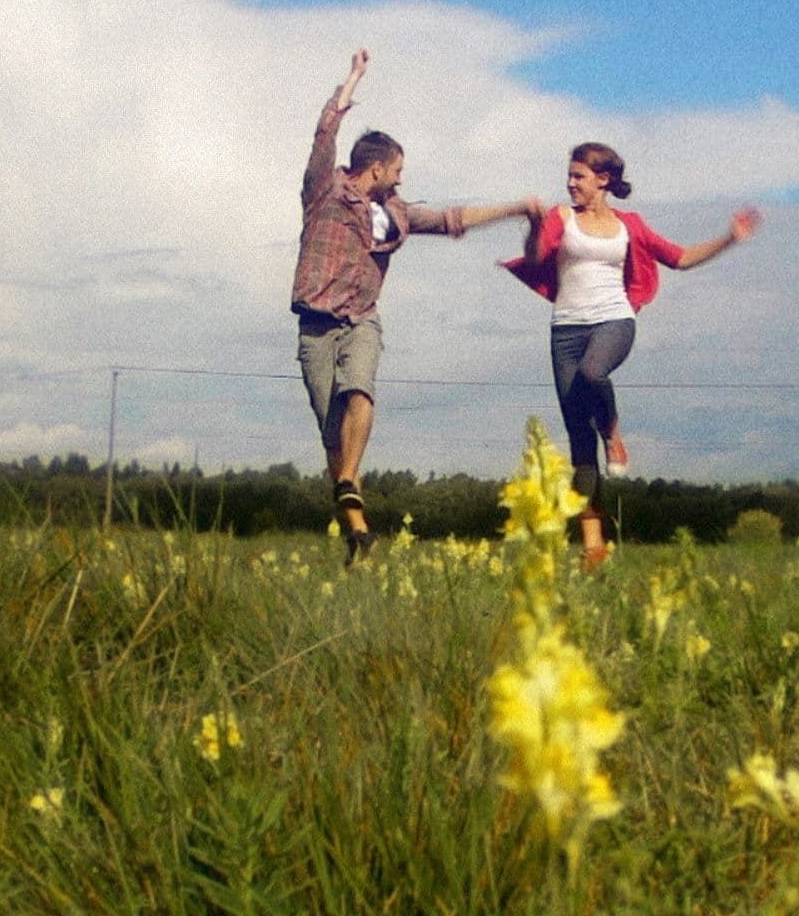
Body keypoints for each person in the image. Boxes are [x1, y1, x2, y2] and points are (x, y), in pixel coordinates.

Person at [292, 49, 539, 565]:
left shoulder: (398, 213)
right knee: (331, 431)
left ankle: (347, 488)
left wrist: (513, 208)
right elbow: (323, 136)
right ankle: (357, 529)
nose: (401, 180)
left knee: (361, 389)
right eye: (397, 171)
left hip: (361, 317)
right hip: (316, 326)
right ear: (375, 168)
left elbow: (453, 219)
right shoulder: (325, 190)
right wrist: (351, 81)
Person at [503, 141, 762, 571]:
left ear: (602, 180)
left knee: (593, 372)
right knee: (578, 443)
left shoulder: (630, 226)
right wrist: (533, 227)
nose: (570, 184)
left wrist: (729, 239)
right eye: (569, 176)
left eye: (579, 177)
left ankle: (614, 430)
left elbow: (678, 258)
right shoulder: (560, 218)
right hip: (565, 330)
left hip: (614, 321)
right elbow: (536, 256)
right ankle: (593, 547)